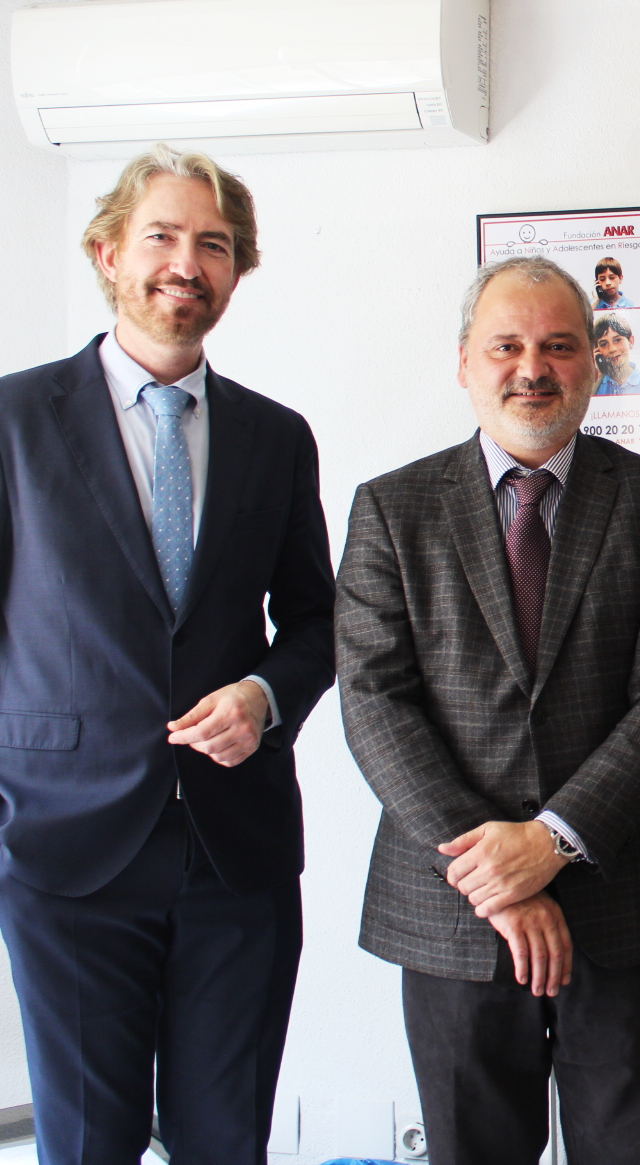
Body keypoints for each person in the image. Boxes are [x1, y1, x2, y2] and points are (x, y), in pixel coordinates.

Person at [336, 256, 640, 1163]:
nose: (532, 367)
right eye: (506, 345)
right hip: (450, 914)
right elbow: (373, 702)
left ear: (594, 364)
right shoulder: (391, 510)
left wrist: (550, 840)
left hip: (627, 899)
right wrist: (495, 874)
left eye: (558, 346)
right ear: (465, 362)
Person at [0, 144, 335, 1164]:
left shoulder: (278, 438)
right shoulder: (12, 420)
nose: (186, 263)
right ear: (108, 253)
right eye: (162, 236)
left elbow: (321, 625)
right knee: (88, 1143)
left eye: (215, 245)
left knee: (225, 1142)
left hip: (237, 857)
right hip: (65, 852)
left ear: (237, 273)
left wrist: (264, 697)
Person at [592, 312, 640, 396]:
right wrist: (598, 376)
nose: (612, 349)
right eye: (604, 344)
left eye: (617, 340)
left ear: (630, 342)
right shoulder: (595, 385)